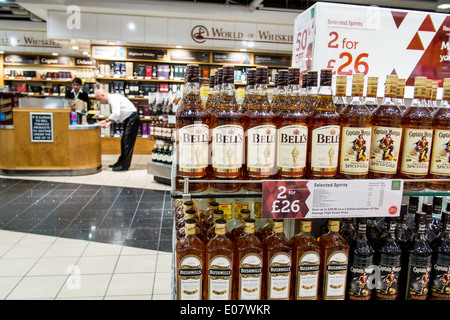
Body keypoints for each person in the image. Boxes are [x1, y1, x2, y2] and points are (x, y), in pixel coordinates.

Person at [95, 89, 140, 171]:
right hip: (129, 119)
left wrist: (106, 121)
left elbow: (116, 113)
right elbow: (118, 115)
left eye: (99, 99)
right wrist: (109, 122)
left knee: (127, 143)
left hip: (132, 119)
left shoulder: (113, 99)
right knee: (124, 142)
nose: (100, 102)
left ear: (103, 95)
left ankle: (124, 165)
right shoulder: (113, 98)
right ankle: (120, 162)